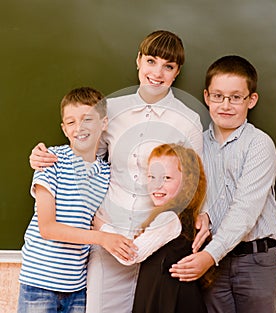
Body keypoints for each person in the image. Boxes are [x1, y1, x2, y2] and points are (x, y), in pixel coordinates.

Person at [28, 30, 208, 313]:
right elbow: (87, 157)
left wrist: (204, 213)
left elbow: (195, 181)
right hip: (108, 235)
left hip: (157, 243)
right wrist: (42, 156)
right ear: (138, 61)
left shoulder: (188, 120)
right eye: (151, 61)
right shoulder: (111, 109)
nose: (157, 72)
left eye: (168, 66)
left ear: (177, 72)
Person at [170, 55, 276, 313]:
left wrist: (209, 257)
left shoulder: (259, 144)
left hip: (254, 260)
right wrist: (203, 213)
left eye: (236, 97)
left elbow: (245, 209)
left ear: (251, 100)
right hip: (212, 262)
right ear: (207, 97)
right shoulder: (196, 145)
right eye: (218, 96)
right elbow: (190, 193)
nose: (226, 105)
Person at [18, 87, 136, 313]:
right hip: (39, 283)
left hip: (77, 287)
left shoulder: (106, 174)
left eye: (87, 119)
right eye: (70, 122)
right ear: (64, 129)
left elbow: (97, 219)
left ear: (103, 123)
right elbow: (47, 228)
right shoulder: (51, 161)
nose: (79, 128)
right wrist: (103, 238)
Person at [95, 143, 208, 312]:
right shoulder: (181, 216)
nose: (157, 185)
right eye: (151, 177)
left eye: (167, 178)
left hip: (167, 302)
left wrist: (101, 227)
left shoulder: (169, 218)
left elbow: (132, 254)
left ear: (187, 184)